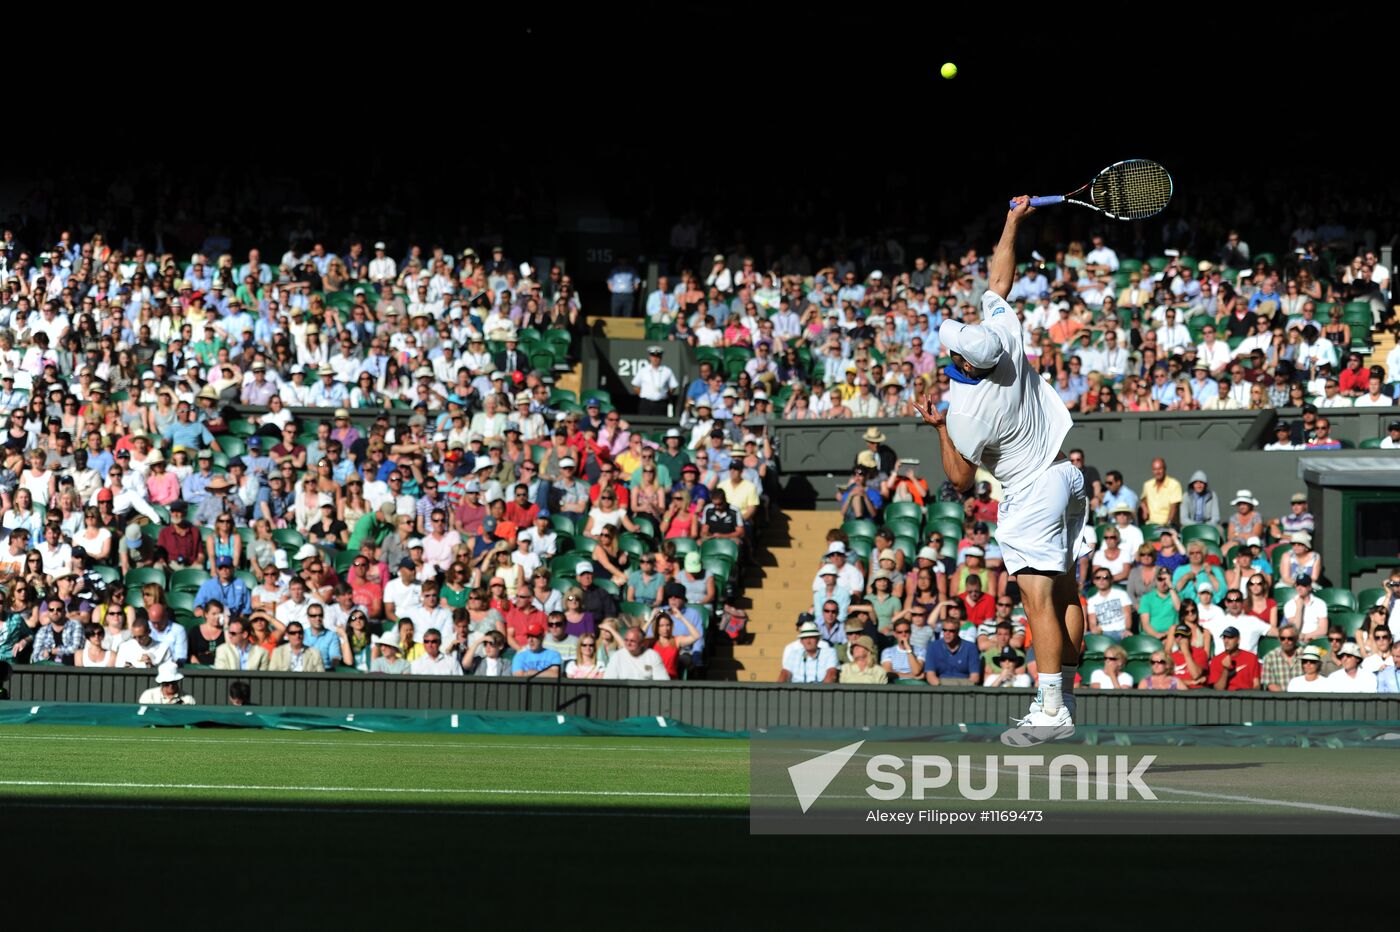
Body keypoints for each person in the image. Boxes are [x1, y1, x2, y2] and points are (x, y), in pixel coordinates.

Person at [912, 198, 1086, 743]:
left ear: (964, 364)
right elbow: (999, 280)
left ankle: (1052, 709)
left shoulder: (966, 414)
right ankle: (1064, 686)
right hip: (1069, 476)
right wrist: (1013, 221)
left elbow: (961, 483)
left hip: (1031, 494)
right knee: (1063, 591)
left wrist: (939, 429)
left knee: (1036, 602)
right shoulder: (1005, 337)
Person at [923, 617, 981, 686]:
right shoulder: (933, 647)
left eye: (951, 631)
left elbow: (975, 677)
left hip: (964, 688)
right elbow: (930, 676)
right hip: (940, 688)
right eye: (945, 630)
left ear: (958, 631)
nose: (947, 633)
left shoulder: (970, 647)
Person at [603, 625, 671, 680]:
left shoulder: (653, 656)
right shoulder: (617, 656)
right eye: (626, 640)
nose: (628, 643)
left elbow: (663, 681)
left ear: (642, 643)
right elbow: (609, 681)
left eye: (632, 641)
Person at [1261, 625, 1304, 691]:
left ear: (1296, 639)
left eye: (1290, 638)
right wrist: (1285, 697)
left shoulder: (1305, 655)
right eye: (1282, 638)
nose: (1286, 641)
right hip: (1279, 698)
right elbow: (1269, 683)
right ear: (1279, 639)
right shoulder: (1270, 657)